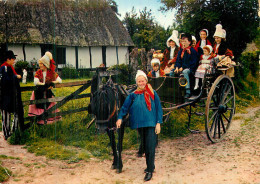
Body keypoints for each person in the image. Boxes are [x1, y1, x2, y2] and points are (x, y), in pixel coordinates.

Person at [116, 70, 163, 181]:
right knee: (146, 147)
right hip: (140, 124)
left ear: (146, 81)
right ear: (137, 83)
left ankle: (150, 171)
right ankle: (150, 166)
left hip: (151, 123)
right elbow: (124, 107)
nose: (141, 83)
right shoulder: (133, 95)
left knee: (150, 147)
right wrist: (119, 118)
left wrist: (158, 123)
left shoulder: (153, 93)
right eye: (139, 81)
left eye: (143, 81)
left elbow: (159, 108)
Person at [28, 51, 62, 124]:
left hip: (48, 92)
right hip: (38, 92)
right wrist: (43, 84)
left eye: (41, 64)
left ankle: (48, 121)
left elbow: (59, 80)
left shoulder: (51, 72)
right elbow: (35, 81)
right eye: (39, 63)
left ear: (45, 64)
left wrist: (52, 83)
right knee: (37, 105)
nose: (39, 65)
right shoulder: (38, 72)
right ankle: (39, 121)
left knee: (49, 106)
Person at [0, 50, 24, 140]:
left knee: (16, 112)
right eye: (13, 59)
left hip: (12, 95)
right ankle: (7, 134)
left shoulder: (10, 68)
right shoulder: (4, 68)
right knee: (6, 114)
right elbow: (5, 81)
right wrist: (15, 77)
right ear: (8, 59)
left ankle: (14, 131)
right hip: (5, 96)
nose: (14, 61)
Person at [170, 33, 198, 98]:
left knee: (185, 71)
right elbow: (178, 60)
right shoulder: (181, 51)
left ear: (189, 42)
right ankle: (175, 89)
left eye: (185, 41)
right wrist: (177, 67)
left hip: (190, 68)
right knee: (172, 72)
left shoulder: (192, 51)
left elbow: (192, 63)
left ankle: (188, 91)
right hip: (181, 68)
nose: (183, 43)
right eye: (182, 41)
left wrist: (183, 67)